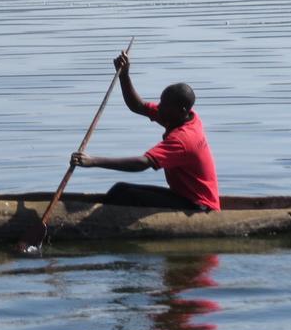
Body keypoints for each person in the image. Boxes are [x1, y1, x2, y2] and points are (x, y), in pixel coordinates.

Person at [71, 53, 220, 212]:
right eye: (161, 102)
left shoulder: (183, 139)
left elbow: (142, 163)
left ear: (181, 110)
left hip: (199, 206)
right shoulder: (184, 117)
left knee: (129, 196)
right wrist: (124, 75)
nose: (160, 107)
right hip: (183, 196)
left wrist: (93, 161)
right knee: (120, 189)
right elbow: (138, 106)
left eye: (164, 105)